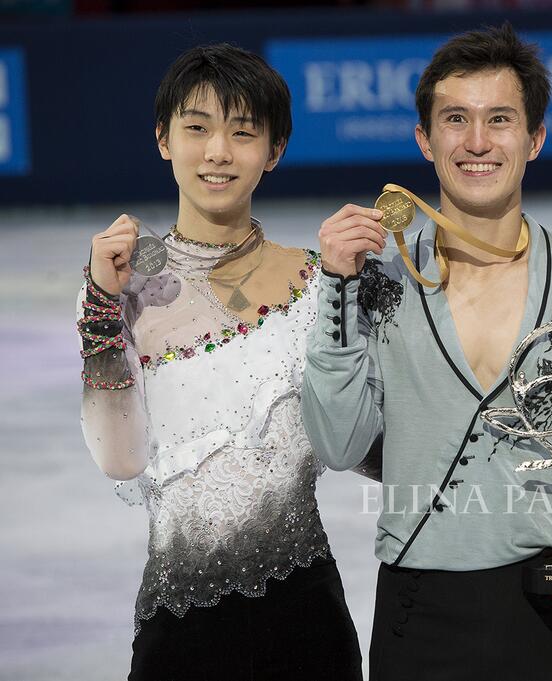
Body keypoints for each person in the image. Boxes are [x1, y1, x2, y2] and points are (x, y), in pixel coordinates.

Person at [301, 24, 552, 681]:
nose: (476, 142)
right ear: (424, 138)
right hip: (418, 607)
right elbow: (339, 444)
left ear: (535, 137)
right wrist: (336, 286)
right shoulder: (376, 280)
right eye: (455, 119)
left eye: (499, 119)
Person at [77, 43, 363, 680]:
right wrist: (101, 305)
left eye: (243, 132)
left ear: (275, 150)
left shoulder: (317, 283)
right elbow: (119, 458)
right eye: (197, 128)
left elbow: (358, 443)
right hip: (181, 632)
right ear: (163, 139)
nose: (217, 152)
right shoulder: (118, 287)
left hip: (307, 621)